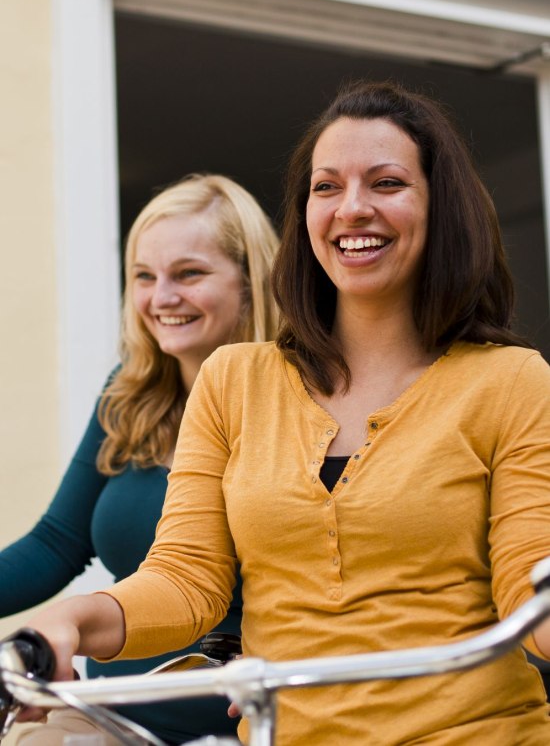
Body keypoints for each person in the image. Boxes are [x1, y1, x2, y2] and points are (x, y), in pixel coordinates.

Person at [14, 81, 550, 744]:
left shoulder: (512, 382)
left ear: (443, 209)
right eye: (326, 187)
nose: (352, 208)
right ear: (304, 217)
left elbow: (535, 585)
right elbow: (185, 582)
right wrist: (70, 619)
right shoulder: (235, 380)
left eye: (386, 183)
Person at [0, 172, 279, 745]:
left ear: (252, 280)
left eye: (189, 274)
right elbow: (55, 544)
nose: (161, 298)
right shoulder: (126, 395)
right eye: (144, 277)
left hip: (254, 722)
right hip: (112, 717)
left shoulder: (302, 401)